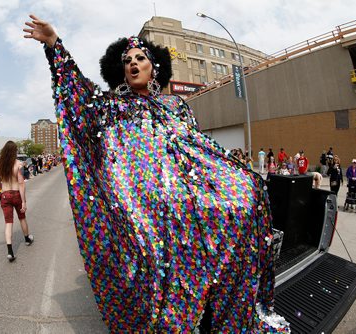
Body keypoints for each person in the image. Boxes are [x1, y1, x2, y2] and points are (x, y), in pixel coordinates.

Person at [23, 15, 288, 333]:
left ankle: (223, 308)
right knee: (155, 235)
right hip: (143, 199)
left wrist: (233, 175)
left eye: (140, 58)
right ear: (121, 71)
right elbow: (79, 101)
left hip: (184, 187)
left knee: (248, 192)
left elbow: (198, 149)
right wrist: (54, 45)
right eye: (127, 61)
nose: (134, 63)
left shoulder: (176, 105)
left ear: (154, 67)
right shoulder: (113, 107)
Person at [0, 141, 34, 262]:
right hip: (16, 194)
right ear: (14, 151)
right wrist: (24, 201)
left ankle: (10, 251)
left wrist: (2, 187)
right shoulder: (18, 164)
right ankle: (27, 239)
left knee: (8, 222)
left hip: (5, 195)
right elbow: (21, 183)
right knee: (22, 217)